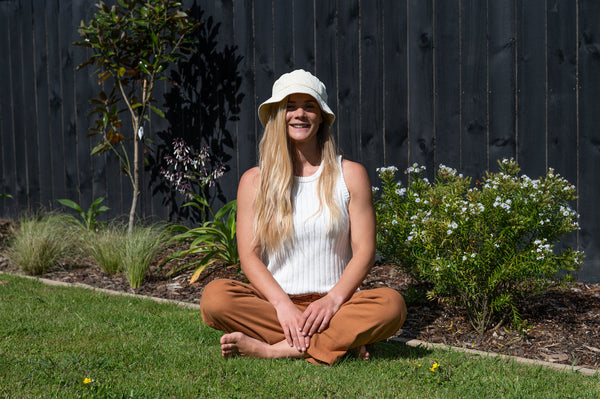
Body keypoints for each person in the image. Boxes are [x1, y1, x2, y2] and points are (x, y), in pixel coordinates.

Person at [200, 69, 407, 365]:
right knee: (215, 298)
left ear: (321, 116)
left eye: (309, 106)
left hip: (338, 304)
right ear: (277, 114)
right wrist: (283, 304)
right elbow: (250, 257)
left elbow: (365, 252)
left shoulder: (350, 175)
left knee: (391, 305)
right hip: (274, 305)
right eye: (290, 106)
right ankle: (340, 341)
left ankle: (275, 349)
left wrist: (333, 300)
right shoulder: (254, 182)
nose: (300, 114)